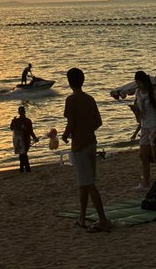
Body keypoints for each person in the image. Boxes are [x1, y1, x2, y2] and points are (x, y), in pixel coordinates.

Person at [62, 67, 111, 233]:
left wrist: (65, 135)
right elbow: (98, 122)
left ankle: (103, 220)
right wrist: (87, 130)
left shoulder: (71, 100)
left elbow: (71, 123)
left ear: (70, 82)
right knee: (84, 184)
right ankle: (82, 218)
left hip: (80, 146)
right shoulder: (90, 99)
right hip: (91, 143)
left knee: (89, 184)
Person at [133, 70, 156, 192]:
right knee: (143, 155)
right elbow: (139, 114)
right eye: (136, 83)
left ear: (144, 82)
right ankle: (146, 182)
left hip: (153, 126)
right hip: (144, 126)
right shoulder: (138, 93)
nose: (138, 85)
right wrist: (135, 111)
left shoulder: (152, 93)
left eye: (139, 83)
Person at [10, 105, 39, 173]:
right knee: (23, 154)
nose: (22, 113)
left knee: (22, 154)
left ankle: (24, 169)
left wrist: (13, 122)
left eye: (22, 112)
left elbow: (11, 128)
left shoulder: (18, 121)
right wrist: (35, 138)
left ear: (19, 112)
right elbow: (31, 131)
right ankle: (25, 169)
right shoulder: (27, 120)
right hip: (25, 140)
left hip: (20, 140)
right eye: (22, 112)